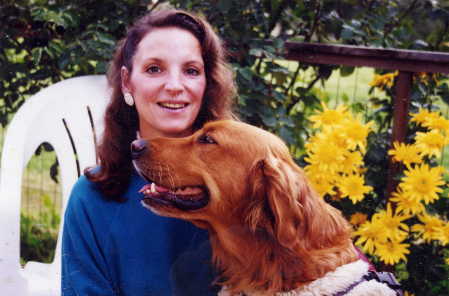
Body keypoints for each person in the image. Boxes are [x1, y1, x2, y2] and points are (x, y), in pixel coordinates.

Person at [61, 8, 237, 296]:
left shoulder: (239, 186)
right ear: (128, 82)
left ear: (207, 84)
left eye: (191, 71)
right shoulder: (91, 198)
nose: (175, 86)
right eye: (154, 69)